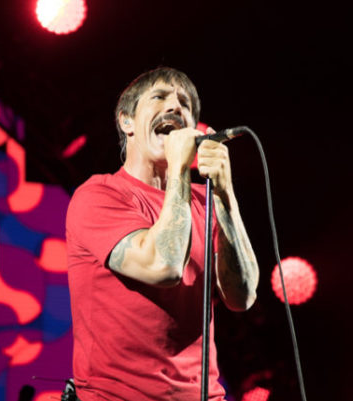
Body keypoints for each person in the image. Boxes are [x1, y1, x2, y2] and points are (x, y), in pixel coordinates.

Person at [66, 66, 259, 401]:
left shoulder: (204, 201)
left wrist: (225, 194)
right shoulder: (98, 195)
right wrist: (180, 169)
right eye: (159, 97)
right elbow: (163, 266)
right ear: (126, 121)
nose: (175, 107)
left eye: (185, 104)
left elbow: (242, 296)